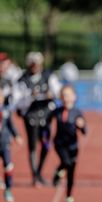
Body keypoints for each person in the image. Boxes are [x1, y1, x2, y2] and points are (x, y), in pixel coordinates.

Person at [17, 52, 62, 186]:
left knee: (46, 144)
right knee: (32, 146)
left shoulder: (49, 75)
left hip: (46, 115)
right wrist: (31, 96)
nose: (35, 66)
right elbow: (19, 102)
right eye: (32, 64)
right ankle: (34, 175)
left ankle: (39, 171)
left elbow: (58, 91)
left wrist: (51, 94)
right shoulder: (23, 79)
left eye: (37, 64)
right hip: (31, 115)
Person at [48, 85, 87, 202]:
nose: (66, 98)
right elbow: (46, 123)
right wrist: (44, 136)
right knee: (66, 163)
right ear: (61, 97)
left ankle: (69, 200)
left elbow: (84, 131)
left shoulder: (77, 112)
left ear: (74, 97)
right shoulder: (57, 111)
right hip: (60, 144)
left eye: (69, 95)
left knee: (71, 174)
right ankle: (58, 172)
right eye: (64, 95)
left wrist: (81, 126)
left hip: (73, 146)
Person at [0, 88, 23, 202]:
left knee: (8, 166)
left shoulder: (6, 111)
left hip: (4, 143)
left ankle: (8, 189)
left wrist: (17, 136)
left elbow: (11, 125)